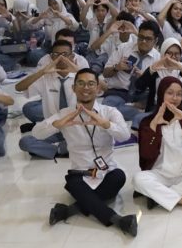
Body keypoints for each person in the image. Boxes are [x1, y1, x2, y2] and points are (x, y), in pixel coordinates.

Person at [37, 68, 138, 237]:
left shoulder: (109, 112)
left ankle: (69, 210)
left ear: (98, 88)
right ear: (73, 88)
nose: (86, 88)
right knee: (74, 184)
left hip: (107, 172)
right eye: (81, 83)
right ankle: (118, 220)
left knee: (119, 177)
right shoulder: (65, 114)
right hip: (80, 173)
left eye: (91, 84)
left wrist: (106, 124)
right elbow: (37, 133)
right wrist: (57, 124)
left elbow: (125, 135)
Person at [133, 76, 182, 212]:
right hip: (160, 174)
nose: (175, 98)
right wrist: (154, 125)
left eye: (179, 94)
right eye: (170, 93)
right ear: (161, 94)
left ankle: (158, 196)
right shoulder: (148, 121)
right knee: (138, 179)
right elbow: (146, 154)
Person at [16, 40, 80, 159]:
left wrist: (78, 71)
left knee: (96, 137)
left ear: (72, 56)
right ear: (51, 57)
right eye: (56, 55)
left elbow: (103, 87)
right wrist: (42, 72)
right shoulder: (45, 77)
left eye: (65, 55)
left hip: (77, 129)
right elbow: (19, 87)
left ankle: (54, 150)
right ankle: (62, 149)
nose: (61, 58)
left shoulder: (80, 77)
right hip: (53, 128)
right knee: (25, 142)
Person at [132, 37, 182, 129]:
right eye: (169, 53)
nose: (173, 57)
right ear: (163, 53)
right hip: (158, 108)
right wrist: (152, 69)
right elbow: (139, 86)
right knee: (138, 119)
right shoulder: (155, 69)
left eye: (177, 54)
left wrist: (181, 68)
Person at [102, 20, 162, 121]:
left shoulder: (158, 59)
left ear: (155, 41)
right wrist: (116, 67)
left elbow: (158, 87)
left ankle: (126, 112)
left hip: (141, 96)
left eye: (148, 39)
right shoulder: (123, 48)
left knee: (153, 104)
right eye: (141, 37)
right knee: (107, 106)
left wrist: (145, 78)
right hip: (119, 92)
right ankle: (137, 113)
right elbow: (105, 73)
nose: (143, 41)